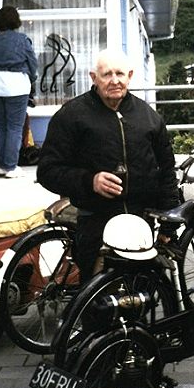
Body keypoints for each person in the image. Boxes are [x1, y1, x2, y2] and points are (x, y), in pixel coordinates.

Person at [37, 49, 180, 283]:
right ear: (94, 78)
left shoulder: (149, 118)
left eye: (120, 74)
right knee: (97, 302)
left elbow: (166, 171)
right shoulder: (72, 116)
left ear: (130, 76)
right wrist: (89, 181)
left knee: (143, 293)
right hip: (95, 221)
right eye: (107, 74)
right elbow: (47, 171)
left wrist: (168, 226)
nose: (114, 80)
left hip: (140, 220)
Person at [0, 6, 38, 178]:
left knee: (2, 127)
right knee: (15, 127)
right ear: (15, 20)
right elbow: (32, 63)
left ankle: (2, 166)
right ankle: (11, 167)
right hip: (16, 84)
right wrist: (32, 78)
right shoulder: (22, 39)